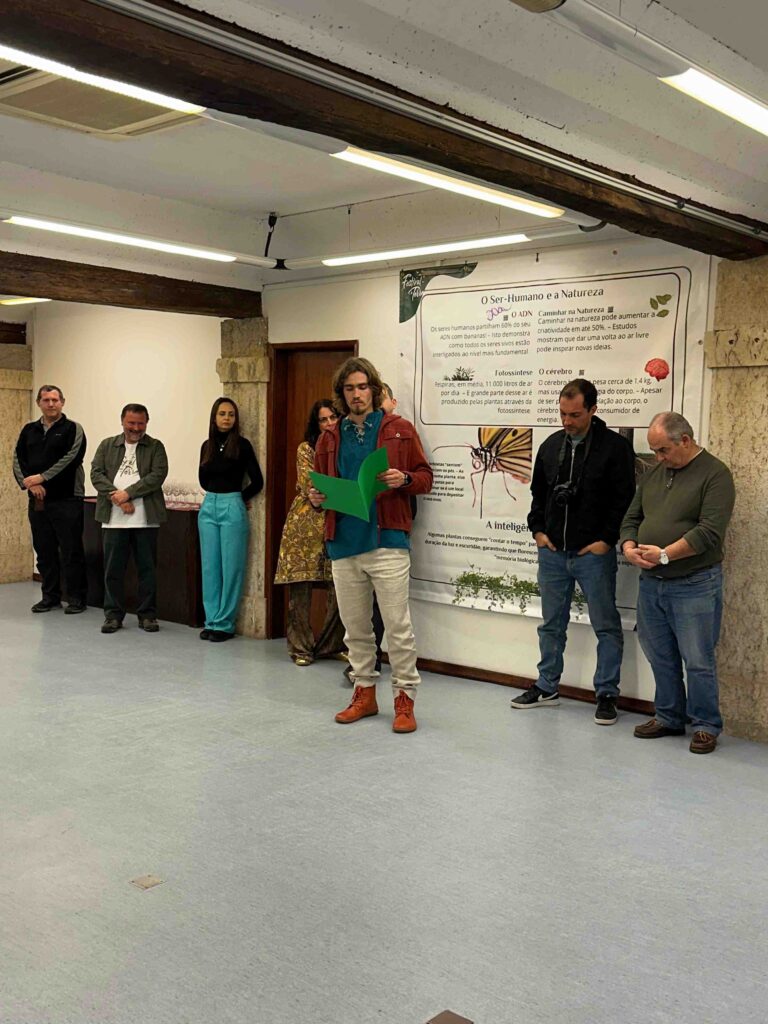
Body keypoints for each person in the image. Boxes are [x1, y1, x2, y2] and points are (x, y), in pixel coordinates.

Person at [310, 357, 433, 733]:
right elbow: (319, 488)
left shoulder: (400, 429)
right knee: (355, 628)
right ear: (342, 394)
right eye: (349, 389)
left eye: (362, 387)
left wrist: (404, 479)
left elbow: (425, 477)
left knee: (397, 627)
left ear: (374, 390)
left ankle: (405, 698)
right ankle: (364, 693)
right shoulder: (329, 436)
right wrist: (316, 498)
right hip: (344, 541)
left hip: (387, 539)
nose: (357, 394)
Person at [512, 378, 636, 724]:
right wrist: (537, 530)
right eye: (563, 414)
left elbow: (624, 500)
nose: (567, 421)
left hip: (593, 554)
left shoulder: (614, 448)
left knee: (606, 625)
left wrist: (606, 540)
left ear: (593, 410)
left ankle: (607, 694)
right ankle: (547, 686)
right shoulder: (552, 445)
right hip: (552, 552)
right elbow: (538, 495)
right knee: (551, 624)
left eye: (575, 415)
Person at [620, 412, 735, 754]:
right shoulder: (655, 474)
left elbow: (709, 532)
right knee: (660, 655)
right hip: (651, 582)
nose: (658, 458)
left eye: (663, 450)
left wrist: (665, 555)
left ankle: (705, 725)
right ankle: (669, 716)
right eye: (655, 450)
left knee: (698, 659)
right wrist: (628, 546)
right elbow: (632, 517)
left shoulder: (716, 474)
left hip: (694, 583)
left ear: (685, 440)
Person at [274, 399, 345, 664]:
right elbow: (312, 485)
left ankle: (331, 646)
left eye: (333, 418)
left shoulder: (348, 447)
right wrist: (333, 491)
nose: (329, 424)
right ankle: (300, 648)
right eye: (323, 420)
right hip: (305, 527)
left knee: (341, 588)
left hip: (337, 524)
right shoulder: (306, 448)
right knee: (300, 591)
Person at [90, 404, 168, 634]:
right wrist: (117, 497)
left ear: (147, 422)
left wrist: (129, 494)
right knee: (113, 570)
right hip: (113, 520)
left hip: (146, 519)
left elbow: (157, 475)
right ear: (122, 421)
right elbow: (96, 474)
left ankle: (148, 615)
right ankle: (113, 615)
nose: (135, 428)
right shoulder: (107, 445)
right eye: (131, 423)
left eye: (140, 423)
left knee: (147, 570)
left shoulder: (155, 446)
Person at [13, 384, 87, 614]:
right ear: (39, 403)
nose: (51, 404)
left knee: (71, 551)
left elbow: (72, 458)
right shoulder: (29, 430)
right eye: (46, 400)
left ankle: (76, 598)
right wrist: (30, 483)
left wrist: (42, 478)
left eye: (55, 400)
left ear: (62, 402)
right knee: (44, 551)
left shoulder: (73, 429)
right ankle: (50, 597)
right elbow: (17, 459)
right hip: (38, 501)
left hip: (67, 499)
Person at [198, 397, 263, 642]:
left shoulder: (242, 445)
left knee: (231, 567)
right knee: (210, 567)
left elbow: (257, 481)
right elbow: (203, 479)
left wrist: (239, 498)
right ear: (214, 417)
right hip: (209, 505)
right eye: (222, 414)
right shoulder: (207, 445)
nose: (227, 418)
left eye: (231, 415)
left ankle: (224, 624)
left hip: (232, 504)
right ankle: (211, 620)